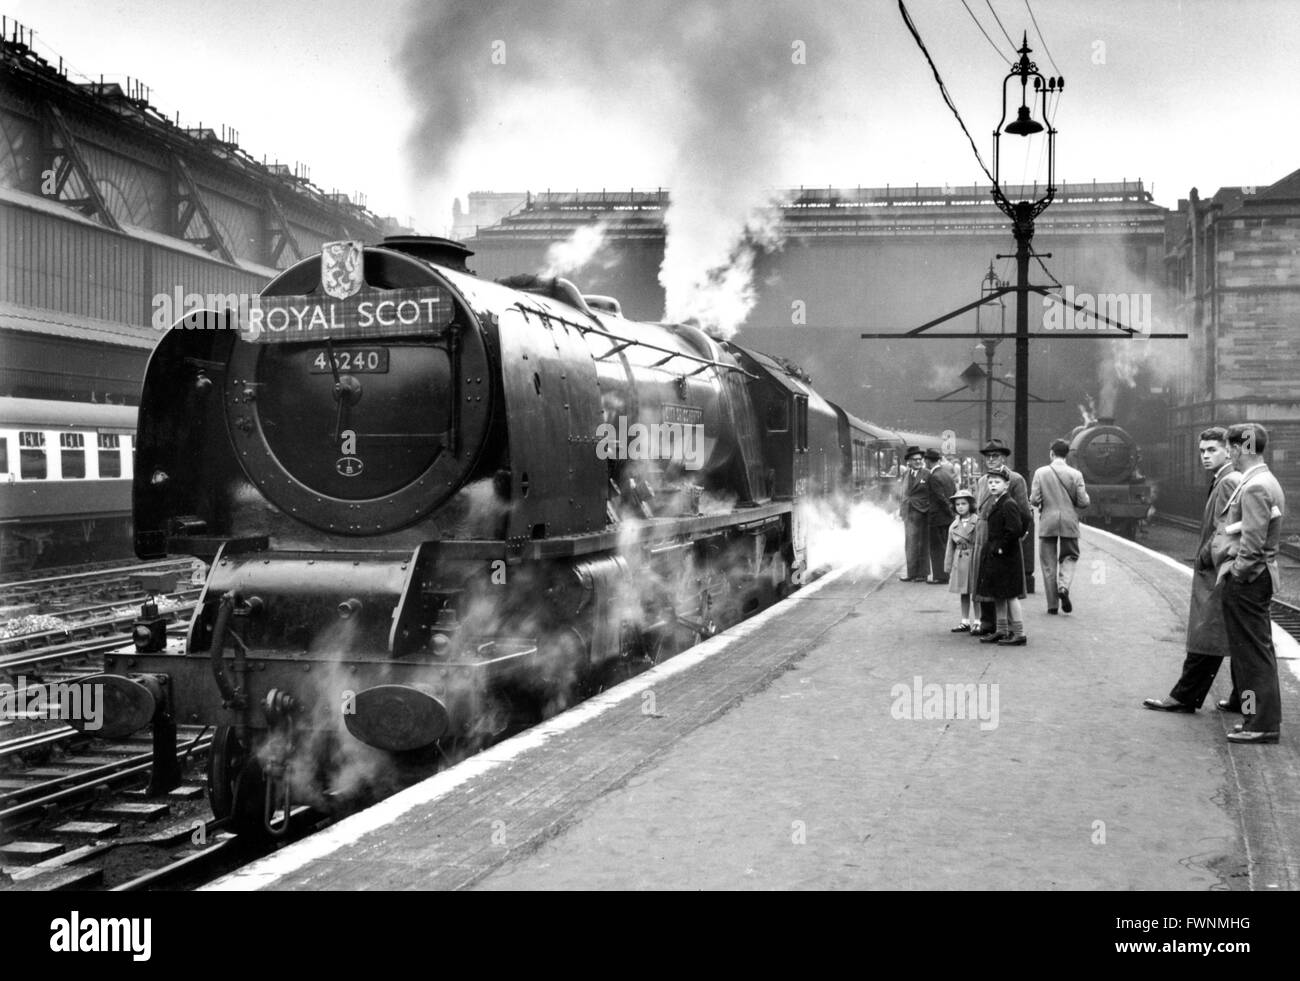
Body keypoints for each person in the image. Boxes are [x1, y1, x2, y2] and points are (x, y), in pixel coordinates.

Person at [1143, 427, 1243, 714]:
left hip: (1217, 571)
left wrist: (1202, 557)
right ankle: (1241, 700)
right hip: (1223, 569)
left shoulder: (1228, 481)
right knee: (1233, 637)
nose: (1205, 456)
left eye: (1212, 450)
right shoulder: (1226, 478)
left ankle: (1184, 697)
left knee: (1207, 633)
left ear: (1229, 450)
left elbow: (1224, 528)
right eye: (1202, 451)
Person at [1218, 423, 1286, 744]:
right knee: (1253, 653)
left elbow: (1253, 542)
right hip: (1257, 578)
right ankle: (1253, 717)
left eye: (1230, 447)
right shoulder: (1264, 480)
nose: (1229, 453)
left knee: (1250, 656)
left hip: (1249, 580)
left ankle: (1259, 723)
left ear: (1239, 448)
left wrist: (1237, 574)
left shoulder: (1255, 486)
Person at [968, 438, 1032, 636]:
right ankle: (988, 622)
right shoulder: (981, 480)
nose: (991, 460)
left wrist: (1015, 537)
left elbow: (1024, 512)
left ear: (1004, 457)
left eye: (995, 456)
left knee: (1004, 581)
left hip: (1002, 534)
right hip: (983, 534)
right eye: (988, 456)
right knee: (985, 578)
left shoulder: (1015, 479)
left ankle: (1009, 627)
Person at [1030, 438, 1090, 615]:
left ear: (1051, 453)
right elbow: (1083, 502)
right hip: (1069, 522)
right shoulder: (1076, 474)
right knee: (1070, 556)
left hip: (1047, 521)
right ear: (1067, 454)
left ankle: (1052, 605)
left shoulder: (1041, 473)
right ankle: (1063, 588)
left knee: (1048, 564)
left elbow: (1034, 499)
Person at [975, 466, 1027, 645]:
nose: (993, 485)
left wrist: (1000, 548)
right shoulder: (998, 502)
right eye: (990, 482)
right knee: (998, 594)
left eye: (997, 482)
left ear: (1006, 485)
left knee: (1010, 595)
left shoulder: (1008, 504)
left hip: (1006, 557)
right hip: (998, 556)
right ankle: (1002, 630)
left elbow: (1015, 530)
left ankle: (1019, 633)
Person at [945, 489, 978, 631]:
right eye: (957, 504)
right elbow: (949, 547)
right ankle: (965, 620)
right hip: (959, 559)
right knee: (963, 592)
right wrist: (948, 565)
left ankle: (978, 620)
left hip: (973, 557)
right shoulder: (953, 525)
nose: (960, 506)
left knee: (976, 593)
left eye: (964, 503)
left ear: (970, 504)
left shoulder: (977, 522)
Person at [898, 446, 930, 582]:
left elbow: (931, 494)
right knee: (910, 543)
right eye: (914, 460)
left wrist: (927, 509)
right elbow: (903, 493)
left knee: (922, 543)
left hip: (922, 512)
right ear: (909, 461)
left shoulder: (927, 474)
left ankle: (922, 574)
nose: (918, 462)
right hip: (908, 513)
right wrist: (901, 510)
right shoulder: (906, 474)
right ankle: (911, 572)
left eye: (919, 459)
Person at [925, 448, 956, 583]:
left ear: (927, 461)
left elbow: (940, 498)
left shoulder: (934, 476)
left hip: (937, 518)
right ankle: (947, 574)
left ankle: (940, 576)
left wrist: (948, 511)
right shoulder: (946, 474)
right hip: (947, 518)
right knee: (945, 546)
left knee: (937, 548)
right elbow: (953, 492)